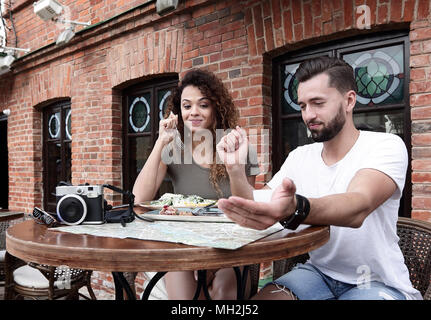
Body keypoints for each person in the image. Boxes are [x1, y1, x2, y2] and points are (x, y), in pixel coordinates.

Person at [216, 56, 422, 300]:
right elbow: (254, 205)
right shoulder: (300, 156)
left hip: (378, 282)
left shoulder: (385, 145)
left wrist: (296, 207)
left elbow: (358, 204)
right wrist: (236, 170)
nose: (308, 115)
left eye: (318, 103)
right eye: (303, 106)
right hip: (318, 273)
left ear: (349, 101)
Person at [132, 68, 260, 299]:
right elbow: (139, 198)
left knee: (223, 296)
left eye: (203, 104)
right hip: (184, 247)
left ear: (216, 108)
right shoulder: (173, 148)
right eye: (187, 106)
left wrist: (234, 167)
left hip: (229, 248)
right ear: (179, 111)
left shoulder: (238, 149)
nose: (194, 113)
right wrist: (161, 142)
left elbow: (248, 207)